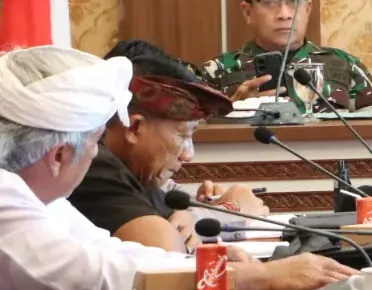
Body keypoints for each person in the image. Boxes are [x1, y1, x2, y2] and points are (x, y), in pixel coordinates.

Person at [0, 47, 352, 290]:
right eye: (93, 143)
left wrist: (207, 264)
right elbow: (98, 275)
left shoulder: (41, 199)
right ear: (58, 156)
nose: (95, 155)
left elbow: (113, 251)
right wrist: (257, 276)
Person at [71, 41, 272, 250]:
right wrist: (232, 209)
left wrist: (200, 213)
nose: (188, 155)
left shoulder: (136, 172)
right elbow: (168, 254)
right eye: (183, 136)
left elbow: (175, 213)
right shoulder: (92, 164)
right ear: (134, 128)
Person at [201, 0, 372, 110]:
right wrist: (232, 111)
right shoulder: (216, 72)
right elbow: (194, 132)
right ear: (248, 12)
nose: (284, 14)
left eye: (294, 1)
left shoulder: (345, 64)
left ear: (308, 9)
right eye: (270, 2)